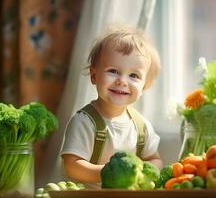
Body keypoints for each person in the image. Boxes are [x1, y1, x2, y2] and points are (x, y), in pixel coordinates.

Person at [60, 24, 163, 188]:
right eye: (113, 71)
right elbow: (72, 165)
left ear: (144, 87)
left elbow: (154, 159)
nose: (122, 81)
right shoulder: (84, 122)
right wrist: (108, 173)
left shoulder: (142, 127)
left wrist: (145, 172)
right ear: (94, 76)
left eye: (134, 75)